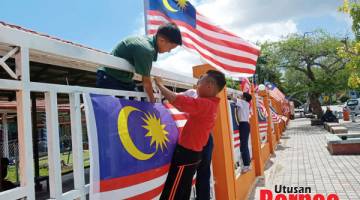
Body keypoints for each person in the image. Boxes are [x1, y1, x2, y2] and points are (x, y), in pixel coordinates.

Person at [155, 70, 226, 200]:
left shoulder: (205, 104)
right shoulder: (211, 104)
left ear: (209, 85)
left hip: (187, 154)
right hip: (192, 154)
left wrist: (160, 85)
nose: (197, 85)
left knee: (174, 191)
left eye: (200, 82)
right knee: (183, 188)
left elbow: (179, 101)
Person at [96, 23, 182, 103]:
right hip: (109, 77)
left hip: (125, 79)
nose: (169, 51)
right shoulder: (146, 49)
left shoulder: (148, 44)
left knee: (134, 107)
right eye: (170, 48)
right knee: (113, 113)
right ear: (161, 40)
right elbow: (146, 81)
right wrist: (153, 103)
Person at [180, 89, 214, 200]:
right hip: (203, 137)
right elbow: (177, 97)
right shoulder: (193, 93)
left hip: (199, 138)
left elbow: (176, 99)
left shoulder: (207, 100)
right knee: (201, 172)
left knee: (194, 172)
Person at [233, 92, 252, 173]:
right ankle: (247, 163)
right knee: (244, 145)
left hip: (243, 125)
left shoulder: (243, 102)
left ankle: (247, 165)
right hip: (245, 124)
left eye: (241, 96)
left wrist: (234, 95)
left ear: (244, 98)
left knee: (243, 146)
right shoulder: (246, 103)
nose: (240, 97)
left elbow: (233, 98)